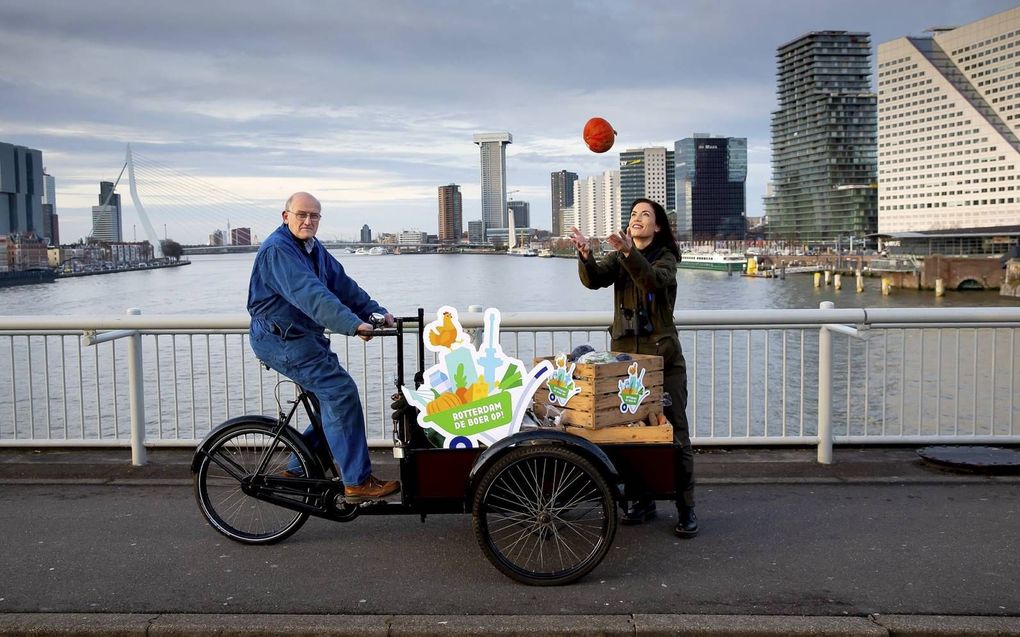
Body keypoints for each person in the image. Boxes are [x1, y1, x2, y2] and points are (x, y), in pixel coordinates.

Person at [247, 191, 399, 503]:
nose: (308, 220)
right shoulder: (278, 250)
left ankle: (298, 469)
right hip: (281, 338)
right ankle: (357, 483)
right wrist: (352, 324)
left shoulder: (312, 249)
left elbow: (343, 287)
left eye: (314, 215)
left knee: (332, 402)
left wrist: (376, 313)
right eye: (301, 214)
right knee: (340, 392)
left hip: (301, 336)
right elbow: (311, 294)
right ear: (285, 216)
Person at [569, 198, 698, 538]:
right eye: (633, 215)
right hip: (626, 363)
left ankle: (686, 508)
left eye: (645, 215)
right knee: (630, 434)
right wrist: (585, 255)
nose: (637, 219)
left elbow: (654, 282)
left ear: (657, 227)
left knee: (675, 436)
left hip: (663, 360)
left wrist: (628, 254)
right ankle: (643, 502)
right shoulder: (620, 257)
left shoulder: (668, 258)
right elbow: (595, 280)